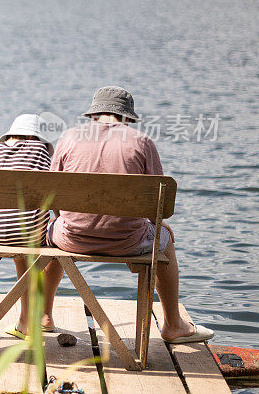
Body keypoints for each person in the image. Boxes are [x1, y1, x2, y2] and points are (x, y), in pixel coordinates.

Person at [48, 86, 214, 343]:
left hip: (71, 239)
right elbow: (158, 207)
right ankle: (173, 325)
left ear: (94, 115)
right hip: (128, 242)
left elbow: (52, 196)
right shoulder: (142, 142)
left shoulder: (69, 137)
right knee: (166, 237)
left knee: (52, 232)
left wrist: (70, 221)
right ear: (126, 117)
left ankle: (44, 316)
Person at [0, 114, 64, 340]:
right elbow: (48, 194)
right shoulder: (40, 151)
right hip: (29, 234)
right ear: (33, 137)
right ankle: (25, 322)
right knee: (24, 251)